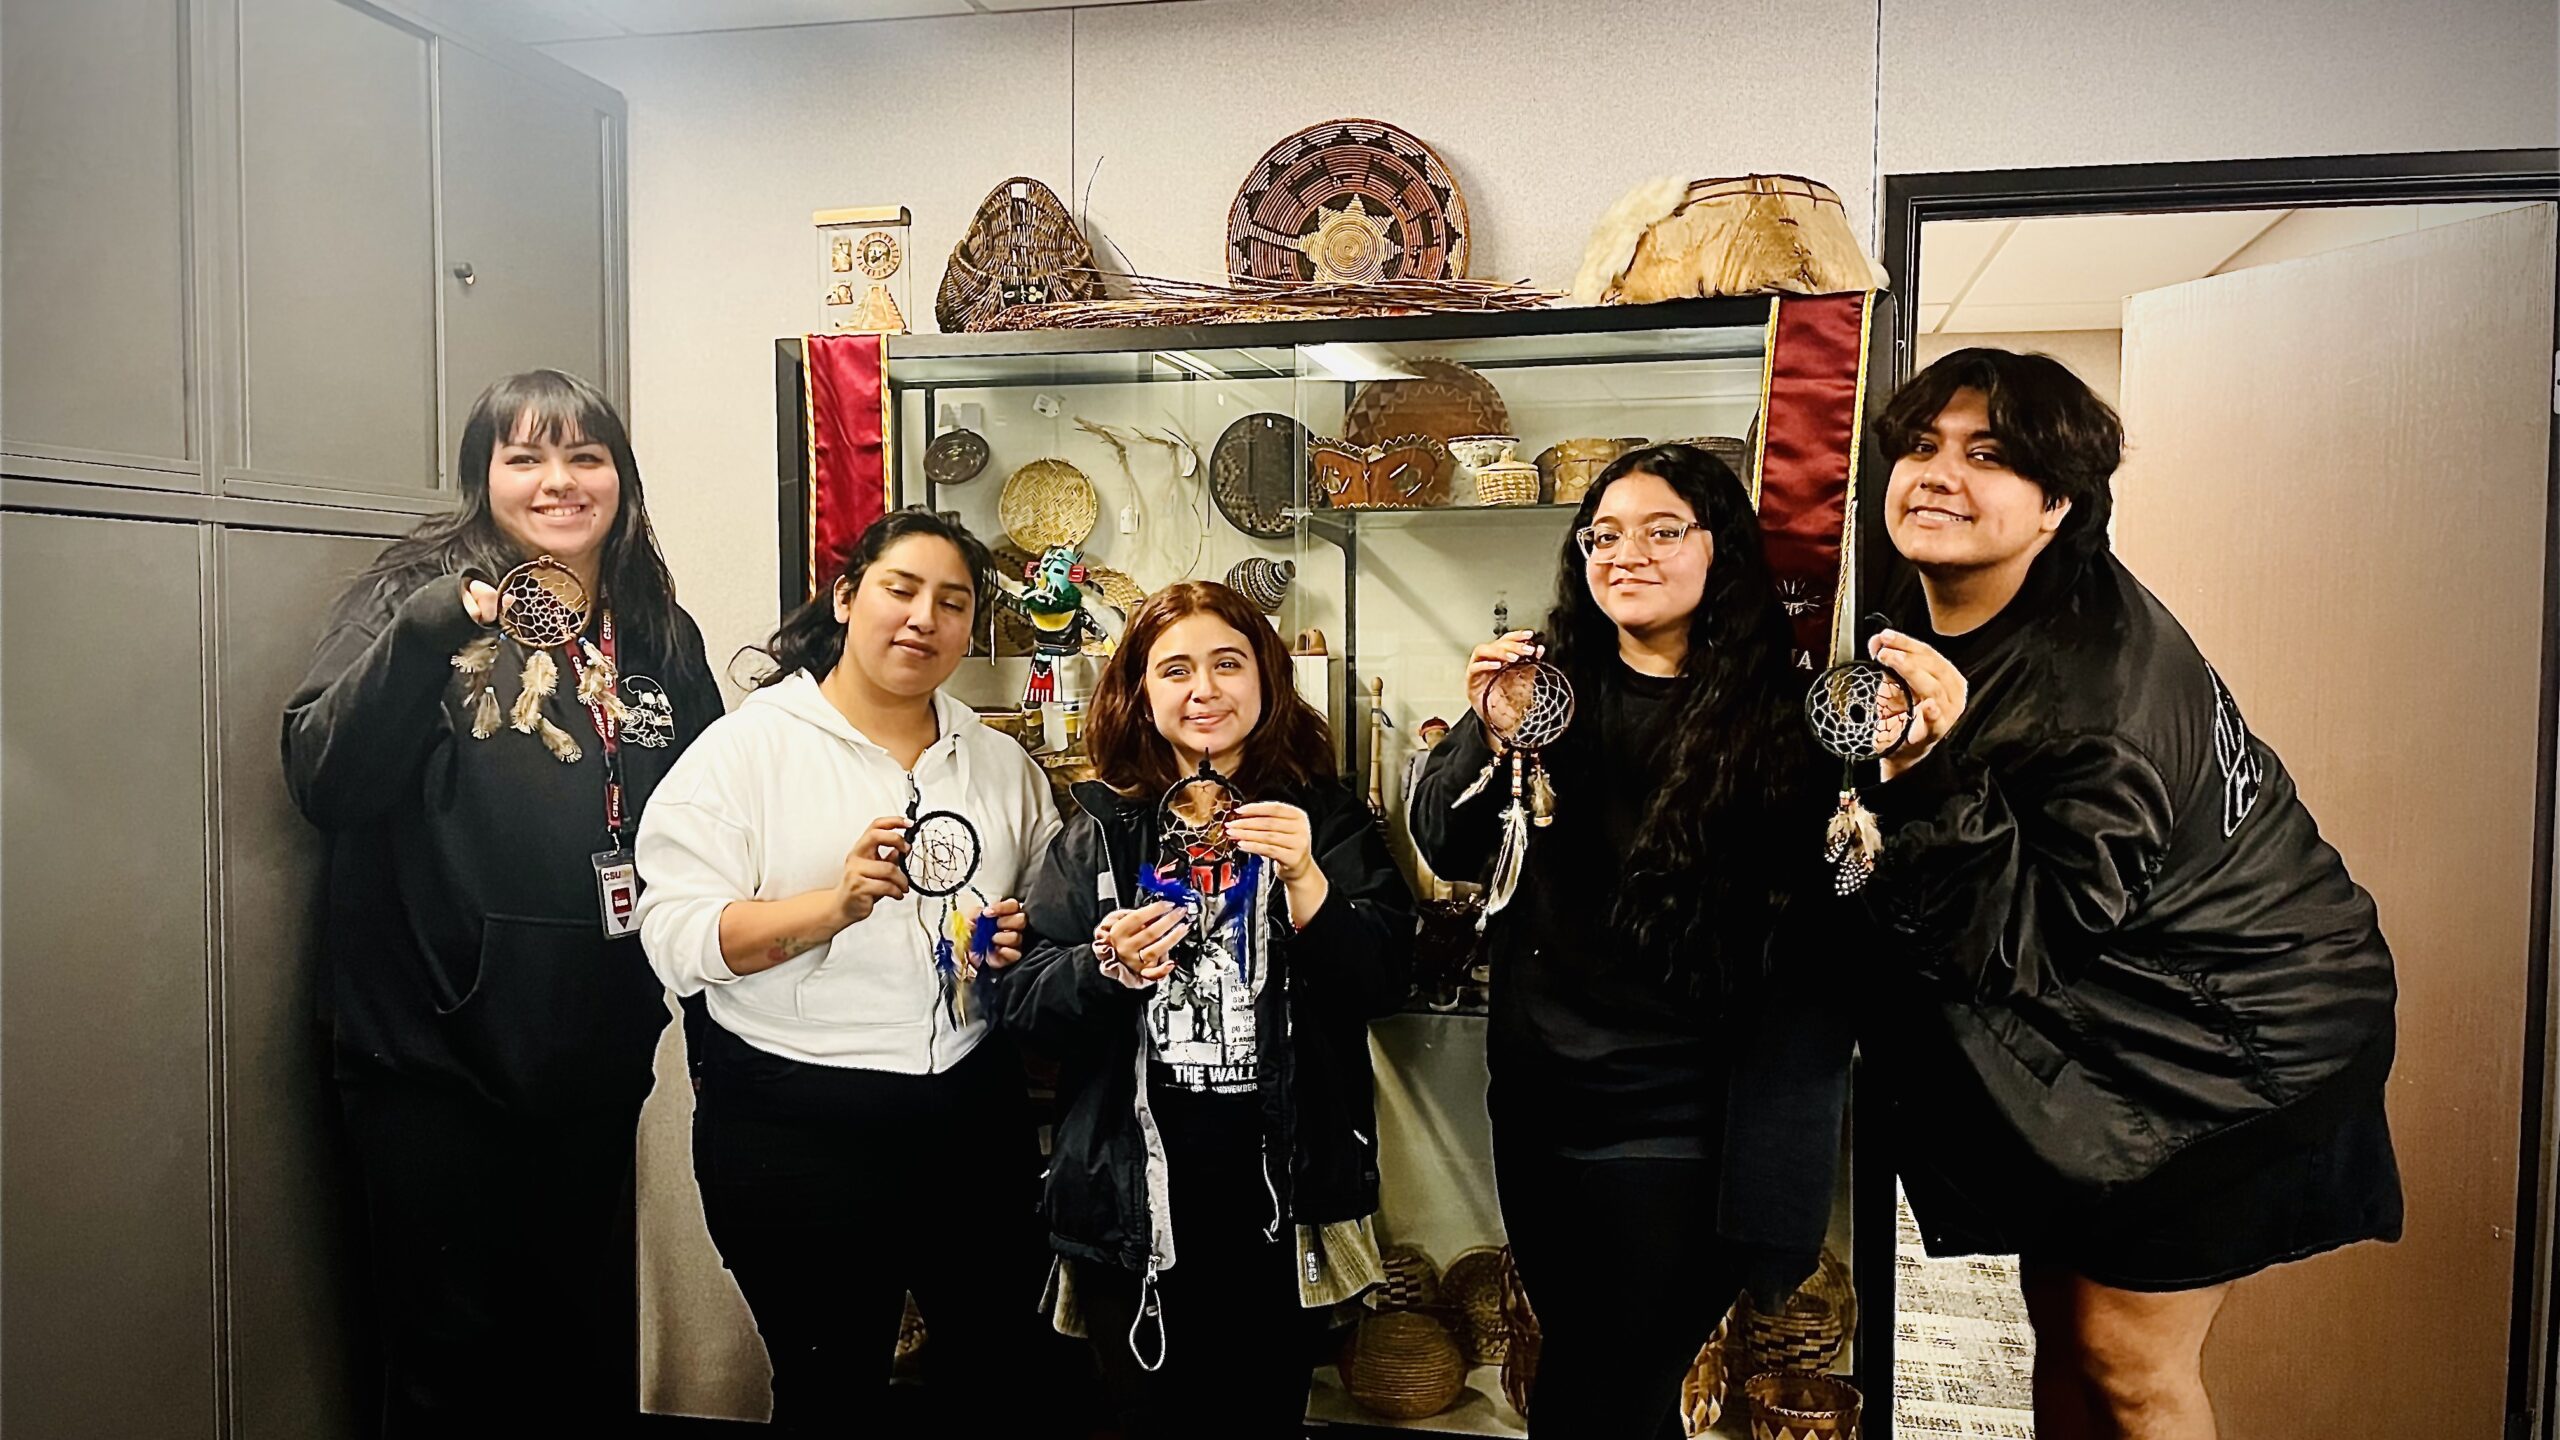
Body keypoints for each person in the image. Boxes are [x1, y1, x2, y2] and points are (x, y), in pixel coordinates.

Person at [1858, 348, 2401, 1439]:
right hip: (2120, 1029)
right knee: (2057, 1321)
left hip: (2238, 1049)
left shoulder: (2096, 703)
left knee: (2128, 1360)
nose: (1938, 478)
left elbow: (2018, 949)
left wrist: (1928, 775)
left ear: (2056, 503)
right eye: (1922, 447)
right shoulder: (1933, 589)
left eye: (1990, 459)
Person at [283, 369, 720, 1436]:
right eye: (525, 457)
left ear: (620, 475)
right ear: (484, 478)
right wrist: (428, 631)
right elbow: (324, 778)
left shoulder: (657, 630)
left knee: (573, 1346)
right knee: (447, 1363)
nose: (560, 482)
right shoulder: (417, 599)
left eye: (585, 456)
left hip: (589, 1048)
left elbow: (711, 818)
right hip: (430, 1062)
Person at [1410, 444, 1854, 1440]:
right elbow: (1449, 842)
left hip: (1689, 1124)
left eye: (1661, 531)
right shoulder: (1544, 697)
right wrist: (1486, 735)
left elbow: (1836, 918)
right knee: (1614, 1388)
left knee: (1585, 1404)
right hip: (1540, 1105)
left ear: (1719, 549)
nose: (1627, 554)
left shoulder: (1784, 719)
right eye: (1603, 535)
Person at [632, 509, 1060, 1435]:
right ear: (847, 596)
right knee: (833, 1392)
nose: (922, 620)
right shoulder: (746, 752)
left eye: (952, 604)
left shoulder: (999, 765)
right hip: (795, 1123)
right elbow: (675, 937)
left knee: (998, 1375)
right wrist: (833, 905)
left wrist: (1017, 938)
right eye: (901, 590)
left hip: (969, 1114)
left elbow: (1041, 919)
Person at [989, 581, 1413, 1440]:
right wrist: (1105, 968)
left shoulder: (1323, 816)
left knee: (1265, 1411)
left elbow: (1385, 981)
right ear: (1140, 692)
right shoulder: (1099, 831)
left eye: (1228, 663)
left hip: (1278, 1188)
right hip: (1131, 1191)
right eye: (1174, 669)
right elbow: (1026, 1002)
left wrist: (1309, 884)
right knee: (1144, 1416)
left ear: (1267, 679)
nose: (1204, 690)